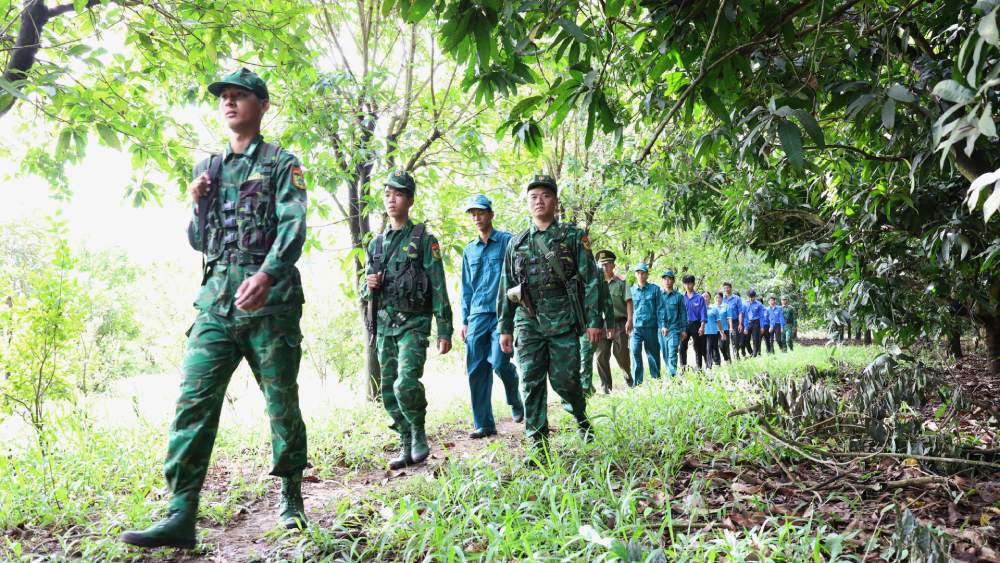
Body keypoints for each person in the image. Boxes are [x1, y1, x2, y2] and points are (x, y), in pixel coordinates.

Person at [121, 69, 310, 549]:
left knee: (281, 402)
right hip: (216, 304)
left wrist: (266, 275)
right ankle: (181, 512)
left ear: (262, 105)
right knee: (193, 402)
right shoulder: (209, 166)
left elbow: (294, 228)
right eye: (224, 97)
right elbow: (201, 243)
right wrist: (197, 206)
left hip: (271, 304)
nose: (229, 103)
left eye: (240, 96)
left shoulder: (281, 164)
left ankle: (291, 497)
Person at [497, 175, 601, 466]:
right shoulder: (516, 243)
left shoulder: (572, 236)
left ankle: (580, 414)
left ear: (555, 201)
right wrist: (504, 327)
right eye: (533, 197)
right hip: (527, 320)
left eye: (545, 195)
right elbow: (506, 286)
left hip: (563, 319)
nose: (539, 201)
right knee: (530, 380)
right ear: (528, 203)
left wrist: (593, 320)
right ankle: (538, 446)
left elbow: (591, 280)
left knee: (565, 381)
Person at [361, 171, 453, 470]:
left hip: (413, 324)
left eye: (398, 194)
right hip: (385, 326)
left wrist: (445, 329)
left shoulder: (424, 239)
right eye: (387, 194)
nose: (391, 199)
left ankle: (418, 430)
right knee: (388, 389)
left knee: (405, 382)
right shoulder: (375, 245)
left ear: (410, 200)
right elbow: (367, 290)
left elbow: (438, 284)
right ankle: (404, 440)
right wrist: (369, 284)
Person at [460, 195, 524, 440]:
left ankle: (515, 398)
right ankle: (484, 423)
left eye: (481, 213)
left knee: (499, 362)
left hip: (501, 314)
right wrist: (464, 320)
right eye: (472, 214)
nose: (477, 218)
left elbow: (517, 276)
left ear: (491, 214)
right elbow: (466, 287)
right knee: (476, 370)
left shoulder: (507, 241)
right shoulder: (469, 250)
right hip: (476, 315)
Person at [593, 250, 633, 392]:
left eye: (607, 264)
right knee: (601, 355)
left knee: (621, 353)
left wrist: (630, 320)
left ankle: (628, 377)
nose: (604, 267)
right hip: (601, 325)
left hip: (619, 323)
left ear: (613, 265)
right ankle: (606, 387)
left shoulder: (621, 282)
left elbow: (628, 301)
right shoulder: (595, 284)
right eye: (602, 264)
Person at [629, 263, 662, 384]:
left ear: (647, 275)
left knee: (653, 354)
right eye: (638, 273)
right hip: (636, 328)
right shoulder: (631, 291)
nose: (640, 275)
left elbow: (660, 309)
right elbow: (629, 310)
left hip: (651, 327)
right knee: (634, 351)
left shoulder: (655, 289)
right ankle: (637, 382)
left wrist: (662, 325)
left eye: (643, 273)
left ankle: (656, 380)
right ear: (635, 274)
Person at [657, 270, 687, 377]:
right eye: (665, 279)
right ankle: (670, 373)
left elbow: (683, 314)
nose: (667, 281)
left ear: (673, 281)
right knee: (665, 354)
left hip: (674, 329)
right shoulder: (658, 295)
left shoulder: (679, 297)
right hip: (661, 329)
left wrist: (684, 330)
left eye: (669, 279)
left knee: (672, 353)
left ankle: (672, 379)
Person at [679, 274, 708, 371]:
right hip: (684, 325)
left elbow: (703, 313)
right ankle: (683, 368)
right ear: (683, 285)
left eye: (690, 283)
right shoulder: (681, 298)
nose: (688, 286)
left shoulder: (699, 298)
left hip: (696, 324)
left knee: (697, 348)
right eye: (685, 284)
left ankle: (699, 368)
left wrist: (702, 326)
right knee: (682, 348)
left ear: (693, 284)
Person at [705, 292, 728, 368]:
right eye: (703, 296)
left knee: (710, 348)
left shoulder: (714, 308)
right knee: (712, 348)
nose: (705, 298)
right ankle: (716, 363)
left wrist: (722, 332)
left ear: (710, 298)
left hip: (712, 331)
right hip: (701, 332)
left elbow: (718, 321)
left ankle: (710, 366)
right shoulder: (699, 308)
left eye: (707, 296)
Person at [721, 283, 742, 362]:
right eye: (725, 288)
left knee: (735, 341)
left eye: (728, 288)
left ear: (731, 288)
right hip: (724, 323)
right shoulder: (722, 299)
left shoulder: (737, 298)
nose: (726, 289)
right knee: (725, 342)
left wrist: (740, 324)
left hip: (735, 322)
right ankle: (728, 359)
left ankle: (736, 356)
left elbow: (740, 312)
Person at [745, 290, 766, 357]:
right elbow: (745, 316)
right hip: (748, 323)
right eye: (749, 297)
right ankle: (751, 352)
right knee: (746, 340)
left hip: (756, 323)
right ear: (747, 297)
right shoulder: (745, 304)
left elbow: (762, 316)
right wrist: (745, 327)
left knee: (755, 339)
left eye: (752, 297)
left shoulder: (759, 304)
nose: (751, 298)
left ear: (755, 297)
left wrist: (762, 327)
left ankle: (754, 355)